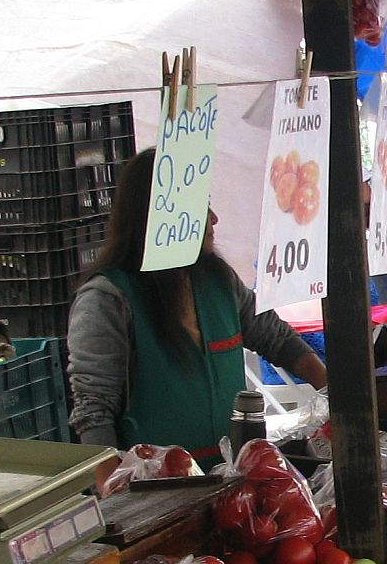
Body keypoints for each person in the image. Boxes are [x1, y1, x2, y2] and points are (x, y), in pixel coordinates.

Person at [67, 148, 328, 460]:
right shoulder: (108, 299)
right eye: (202, 206)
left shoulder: (218, 281)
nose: (214, 218)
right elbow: (93, 410)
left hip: (230, 473)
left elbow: (277, 339)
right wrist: (113, 490)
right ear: (163, 215)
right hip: (156, 486)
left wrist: (338, 398)